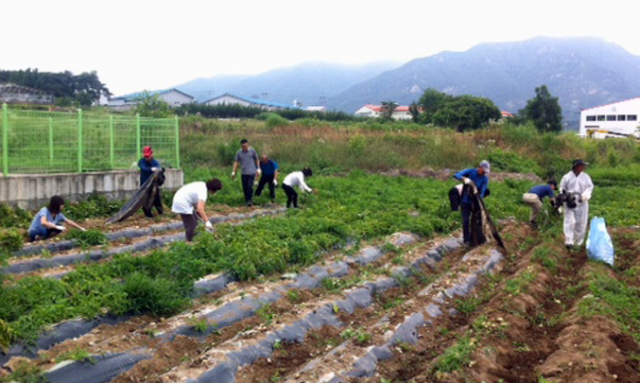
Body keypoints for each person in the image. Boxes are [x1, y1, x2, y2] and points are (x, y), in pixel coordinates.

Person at [453, 161, 491, 247]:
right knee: (465, 221)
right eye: (483, 170)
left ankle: (477, 239)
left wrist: (478, 195)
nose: (484, 172)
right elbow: (457, 175)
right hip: (465, 201)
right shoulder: (471, 172)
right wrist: (465, 179)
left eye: (485, 171)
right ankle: (466, 240)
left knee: (477, 221)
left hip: (475, 202)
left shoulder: (484, 179)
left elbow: (483, 191)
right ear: (480, 167)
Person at [560, 159, 594, 250]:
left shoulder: (586, 177)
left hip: (582, 202)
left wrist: (585, 195)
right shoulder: (567, 177)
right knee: (570, 221)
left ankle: (578, 243)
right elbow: (562, 189)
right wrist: (566, 197)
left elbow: (590, 187)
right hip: (570, 201)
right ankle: (569, 241)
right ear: (576, 166)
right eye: (581, 166)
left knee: (581, 222)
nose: (583, 167)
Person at [231, 139, 260, 206]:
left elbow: (257, 159)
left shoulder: (252, 151)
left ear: (247, 145)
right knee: (245, 187)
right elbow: (236, 162)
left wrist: (258, 168)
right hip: (244, 172)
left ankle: (250, 200)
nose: (244, 147)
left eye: (245, 146)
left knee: (250, 186)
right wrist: (233, 171)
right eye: (243, 146)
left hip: (252, 171)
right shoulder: (239, 152)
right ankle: (246, 200)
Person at [138, 146, 163, 217]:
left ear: (151, 154)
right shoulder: (141, 161)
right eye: (146, 156)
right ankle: (147, 213)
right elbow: (143, 168)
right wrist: (151, 169)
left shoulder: (155, 162)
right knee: (146, 199)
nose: (147, 158)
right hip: (144, 185)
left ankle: (160, 211)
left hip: (153, 184)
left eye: (148, 156)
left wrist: (157, 169)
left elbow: (158, 167)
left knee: (156, 197)